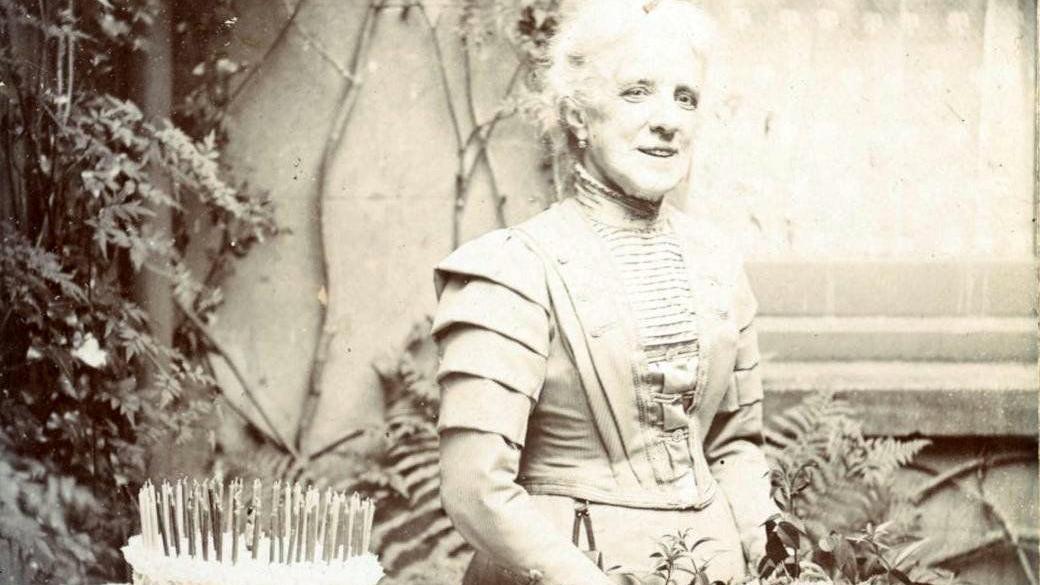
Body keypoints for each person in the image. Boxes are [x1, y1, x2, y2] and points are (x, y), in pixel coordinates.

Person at [431, 1, 779, 583]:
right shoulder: (514, 270)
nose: (669, 119)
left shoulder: (718, 265)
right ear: (577, 117)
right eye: (637, 92)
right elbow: (474, 488)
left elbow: (735, 445)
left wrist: (772, 552)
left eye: (685, 96)